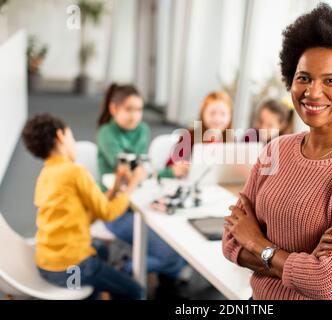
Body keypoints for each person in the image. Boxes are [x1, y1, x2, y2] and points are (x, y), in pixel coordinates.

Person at [222, 4, 332, 300]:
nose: (312, 92)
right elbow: (230, 242)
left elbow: (326, 283)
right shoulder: (276, 150)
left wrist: (258, 243)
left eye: (330, 80)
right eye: (304, 78)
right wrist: (301, 262)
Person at [22, 113, 145, 300]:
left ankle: (90, 293)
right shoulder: (75, 172)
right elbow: (108, 213)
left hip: (47, 265)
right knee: (136, 291)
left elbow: (88, 211)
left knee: (101, 250)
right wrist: (133, 184)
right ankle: (87, 291)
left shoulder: (46, 174)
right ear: (61, 136)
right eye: (71, 136)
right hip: (72, 269)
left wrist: (116, 186)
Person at [97, 83, 187, 298]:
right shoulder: (106, 133)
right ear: (113, 109)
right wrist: (159, 172)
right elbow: (130, 171)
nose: (135, 115)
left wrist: (155, 172)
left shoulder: (143, 130)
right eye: (129, 109)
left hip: (140, 202)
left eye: (139, 109)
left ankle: (162, 280)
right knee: (172, 256)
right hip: (115, 209)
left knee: (182, 242)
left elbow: (142, 169)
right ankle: (124, 271)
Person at [158, 91, 233, 179]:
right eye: (212, 113)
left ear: (230, 116)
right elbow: (166, 170)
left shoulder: (230, 141)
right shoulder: (189, 137)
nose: (217, 119)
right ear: (202, 114)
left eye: (223, 114)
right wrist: (174, 170)